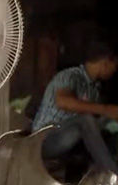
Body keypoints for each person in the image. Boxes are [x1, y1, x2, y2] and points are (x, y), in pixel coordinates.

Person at [32, 39, 118, 174]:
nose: (114, 70)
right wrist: (106, 109)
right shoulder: (70, 75)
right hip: (43, 142)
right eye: (115, 65)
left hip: (68, 140)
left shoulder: (93, 90)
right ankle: (113, 174)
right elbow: (63, 101)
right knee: (86, 120)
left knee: (106, 126)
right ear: (105, 62)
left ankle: (102, 176)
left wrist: (110, 119)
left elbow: (95, 128)